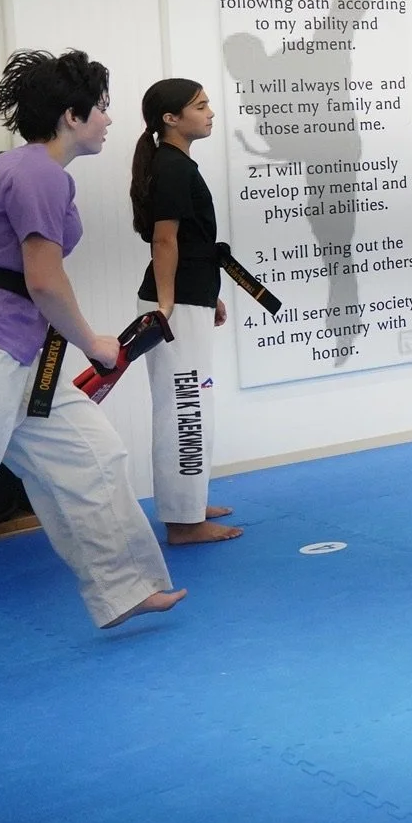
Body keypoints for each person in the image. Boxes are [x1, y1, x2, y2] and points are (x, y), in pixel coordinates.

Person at [0, 50, 185, 628]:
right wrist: (94, 342)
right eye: (104, 108)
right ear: (73, 115)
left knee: (92, 459)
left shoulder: (9, 166)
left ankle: (126, 588)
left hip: (20, 351)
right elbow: (43, 279)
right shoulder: (39, 173)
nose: (110, 120)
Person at [131, 78, 241, 544]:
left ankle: (188, 503)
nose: (211, 111)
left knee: (195, 403)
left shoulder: (177, 163)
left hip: (188, 297)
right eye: (200, 105)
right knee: (186, 409)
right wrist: (168, 304)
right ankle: (183, 522)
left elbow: (189, 242)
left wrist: (205, 294)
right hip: (175, 305)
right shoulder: (173, 167)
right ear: (171, 119)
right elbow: (165, 238)